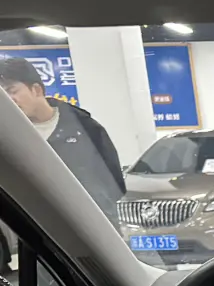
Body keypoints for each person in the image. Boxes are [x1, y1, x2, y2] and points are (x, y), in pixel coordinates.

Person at [0, 56, 125, 225]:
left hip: (90, 226)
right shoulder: (8, 137)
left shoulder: (85, 128)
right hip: (34, 228)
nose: (8, 100)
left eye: (12, 91)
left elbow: (113, 181)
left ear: (36, 90)